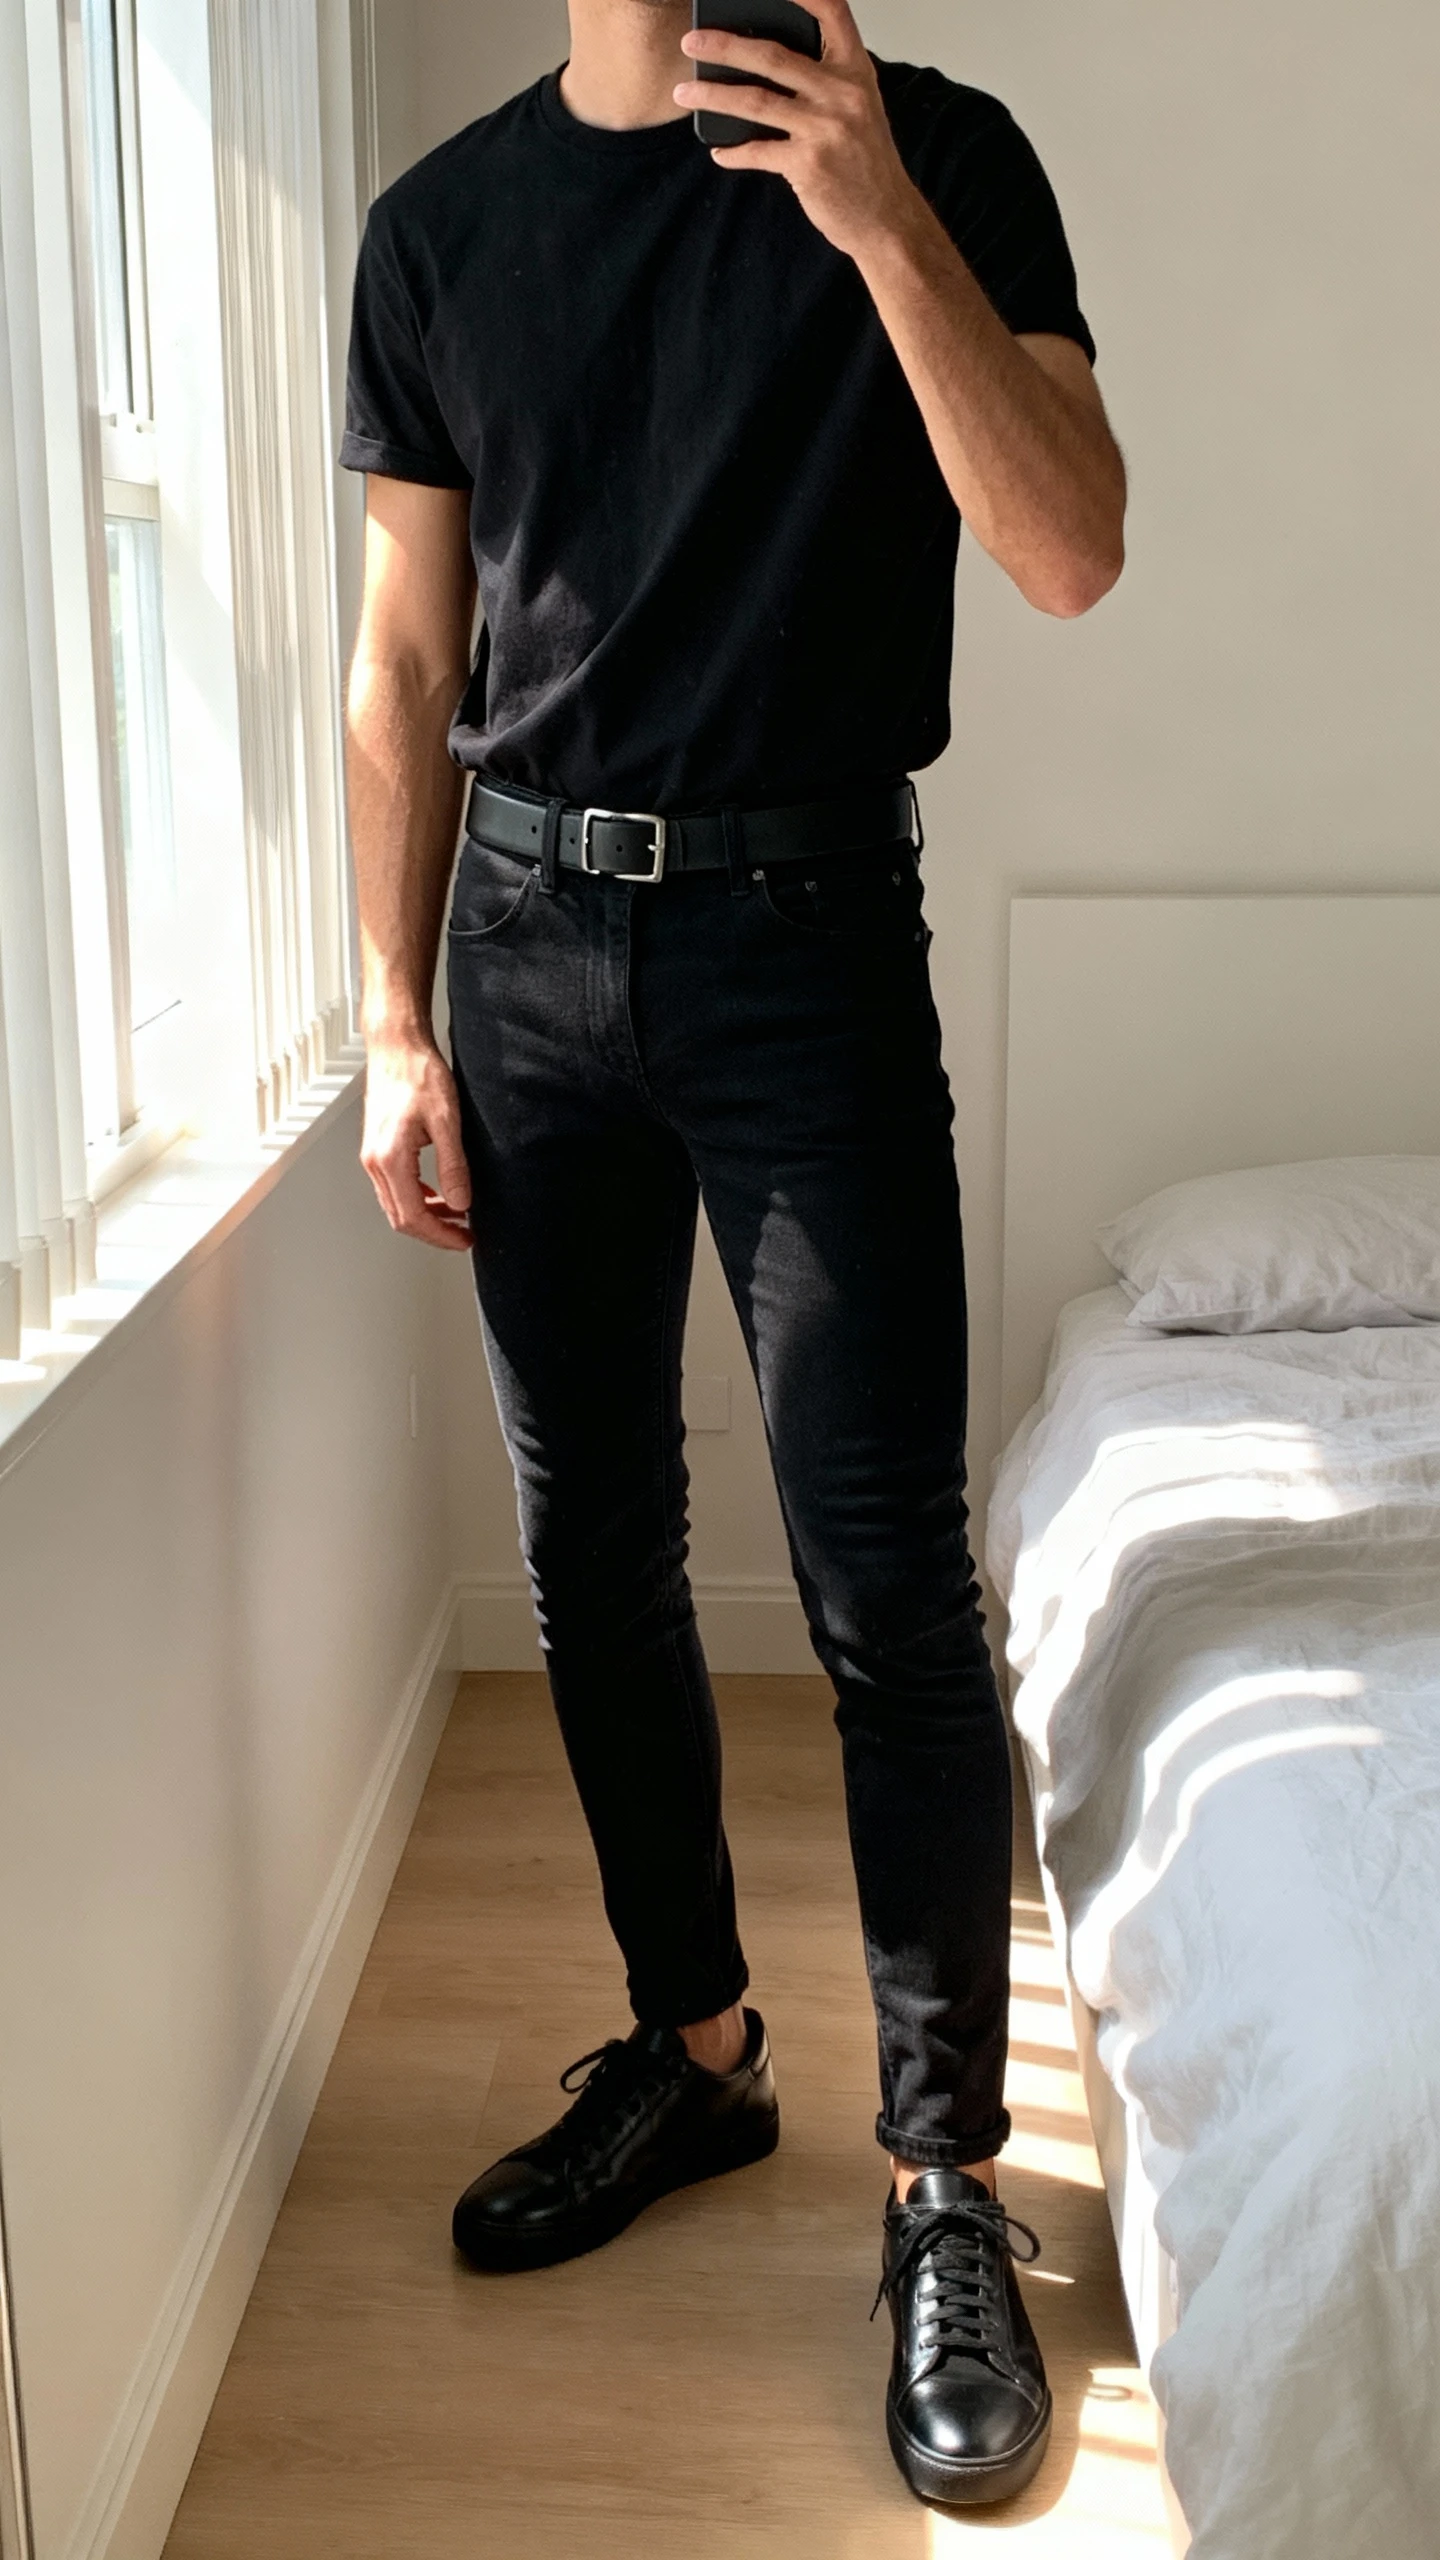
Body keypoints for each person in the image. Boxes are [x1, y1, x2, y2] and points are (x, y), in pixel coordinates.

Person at [341, 0, 1124, 2508]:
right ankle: (691, 2051)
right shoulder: (439, 229)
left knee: (886, 1573)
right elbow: (405, 659)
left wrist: (878, 214)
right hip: (530, 964)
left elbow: (1073, 543)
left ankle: (941, 2186)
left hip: (804, 937)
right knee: (593, 1553)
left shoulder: (950, 156)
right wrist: (386, 1007)